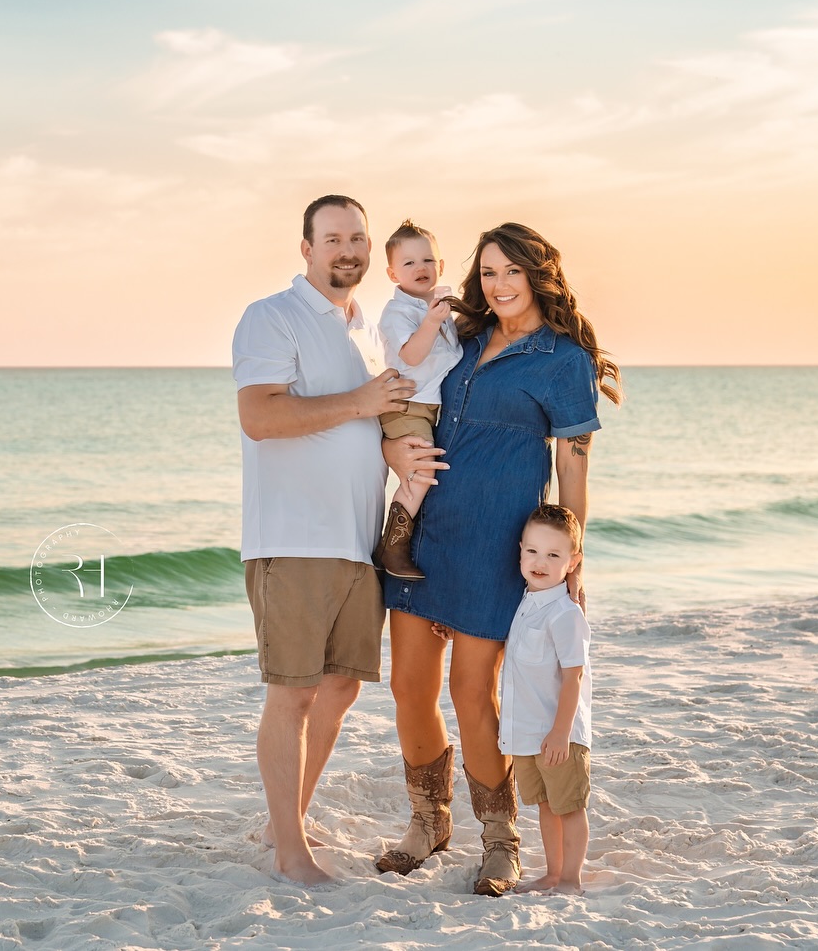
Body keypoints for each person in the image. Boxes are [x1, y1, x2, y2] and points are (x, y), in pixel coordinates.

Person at [376, 222, 622, 896]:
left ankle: (499, 838)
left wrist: (575, 561)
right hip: (425, 535)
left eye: (512, 271)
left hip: (495, 546)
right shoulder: (463, 335)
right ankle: (428, 821)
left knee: (473, 694)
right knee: (409, 688)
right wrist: (392, 449)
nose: (499, 284)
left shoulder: (563, 359)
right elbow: (407, 401)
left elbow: (572, 471)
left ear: (538, 274)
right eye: (488, 272)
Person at [231, 194, 420, 887]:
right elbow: (260, 416)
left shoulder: (368, 329)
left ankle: (290, 818)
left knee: (340, 688)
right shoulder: (271, 317)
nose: (349, 249)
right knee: (295, 693)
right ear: (305, 248)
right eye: (333, 237)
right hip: (294, 536)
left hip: (356, 539)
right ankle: (289, 851)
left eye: (358, 238)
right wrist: (362, 402)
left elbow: (373, 426)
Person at [500, 504, 592, 896]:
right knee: (544, 806)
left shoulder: (564, 613)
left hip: (559, 732)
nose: (540, 562)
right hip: (525, 730)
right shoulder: (524, 601)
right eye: (533, 551)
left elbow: (574, 677)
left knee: (569, 806)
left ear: (572, 563)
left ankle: (571, 878)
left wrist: (560, 732)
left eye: (554, 555)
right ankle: (552, 874)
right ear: (520, 550)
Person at [373, 220, 462, 580]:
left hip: (429, 406)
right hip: (406, 406)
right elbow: (411, 355)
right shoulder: (398, 313)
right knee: (422, 470)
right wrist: (430, 322)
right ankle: (392, 547)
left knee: (432, 474)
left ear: (440, 266)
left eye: (427, 260)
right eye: (408, 263)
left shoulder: (440, 306)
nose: (420, 268)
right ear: (393, 273)